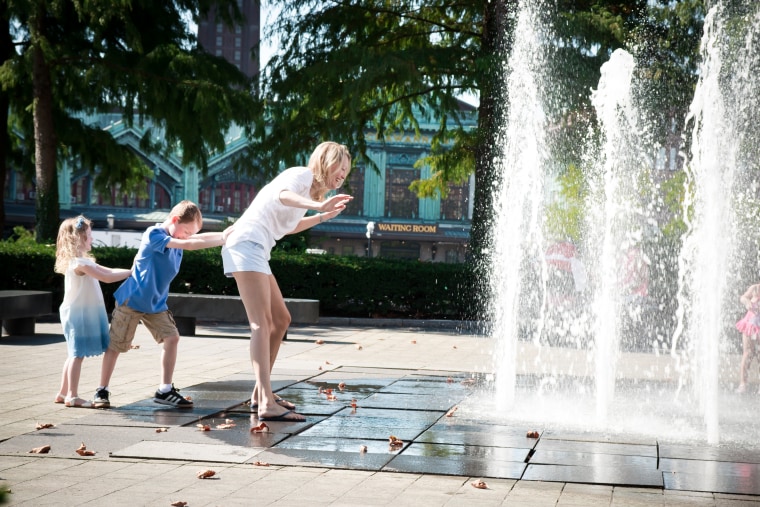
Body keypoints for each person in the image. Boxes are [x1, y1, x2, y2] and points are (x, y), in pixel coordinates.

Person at [222, 141, 353, 421]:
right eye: (340, 166)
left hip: (257, 249)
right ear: (325, 162)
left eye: (346, 170)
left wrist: (321, 216)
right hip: (247, 244)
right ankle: (265, 401)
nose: (343, 174)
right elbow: (282, 195)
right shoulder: (301, 176)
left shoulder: (307, 191)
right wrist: (317, 204)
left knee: (281, 320)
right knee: (261, 323)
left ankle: (261, 392)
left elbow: (289, 225)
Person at [92, 201, 231, 409]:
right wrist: (223, 239)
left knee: (172, 338)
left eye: (190, 233)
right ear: (174, 220)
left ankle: (165, 390)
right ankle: (102, 389)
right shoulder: (154, 234)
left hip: (155, 303)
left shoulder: (178, 236)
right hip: (134, 299)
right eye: (186, 231)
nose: (187, 236)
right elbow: (191, 243)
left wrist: (226, 235)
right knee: (116, 345)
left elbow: (197, 238)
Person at [54, 216, 132, 408]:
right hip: (78, 314)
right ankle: (73, 396)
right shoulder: (79, 263)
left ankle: (63, 393)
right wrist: (133, 273)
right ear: (78, 238)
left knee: (73, 353)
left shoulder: (82, 261)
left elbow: (110, 271)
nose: (92, 239)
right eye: (89, 235)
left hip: (79, 312)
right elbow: (107, 278)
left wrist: (132, 270)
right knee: (76, 354)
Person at [736, 282, 760, 393]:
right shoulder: (755, 288)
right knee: (748, 353)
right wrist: (747, 302)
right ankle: (743, 383)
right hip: (750, 324)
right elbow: (743, 297)